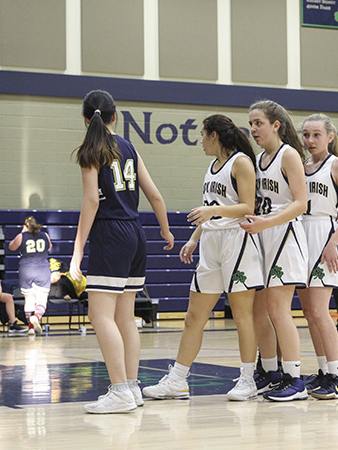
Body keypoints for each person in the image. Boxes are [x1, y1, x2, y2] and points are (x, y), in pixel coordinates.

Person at [142, 114, 263, 402]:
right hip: (211, 242)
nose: (200, 141)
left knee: (242, 316)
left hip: (238, 240)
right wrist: (194, 239)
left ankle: (248, 379)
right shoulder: (212, 167)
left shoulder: (241, 162)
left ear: (215, 136)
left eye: (202, 135)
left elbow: (249, 206)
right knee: (194, 317)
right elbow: (211, 208)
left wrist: (212, 214)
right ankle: (178, 380)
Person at [70, 90, 174, 414]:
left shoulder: (91, 150)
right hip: (136, 234)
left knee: (99, 315)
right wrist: (166, 229)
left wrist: (77, 250)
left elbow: (91, 201)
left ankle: (119, 391)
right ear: (116, 117)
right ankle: (131, 386)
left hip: (110, 234)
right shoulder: (129, 148)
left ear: (86, 120)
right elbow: (155, 195)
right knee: (125, 317)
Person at [240, 99, 309, 402]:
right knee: (262, 310)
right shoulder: (258, 159)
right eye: (251, 123)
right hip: (264, 234)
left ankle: (295, 378)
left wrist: (267, 222)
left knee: (279, 310)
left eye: (259, 123)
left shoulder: (288, 155)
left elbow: (300, 203)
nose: (253, 128)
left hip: (286, 235)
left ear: (275, 125)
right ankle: (271, 372)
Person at [296, 113, 338, 399]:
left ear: (330, 136)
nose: (310, 140)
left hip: (324, 233)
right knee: (309, 313)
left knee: (320, 310)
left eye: (316, 134)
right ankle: (324, 371)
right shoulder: (301, 166)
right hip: (300, 233)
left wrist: (334, 242)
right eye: (306, 134)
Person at [8, 216, 53, 335]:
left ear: (25, 226)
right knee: (42, 300)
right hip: (42, 269)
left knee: (29, 299)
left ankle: (31, 328)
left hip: (26, 269)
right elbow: (49, 247)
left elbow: (11, 247)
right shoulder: (45, 235)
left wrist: (22, 234)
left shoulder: (21, 236)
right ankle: (36, 317)